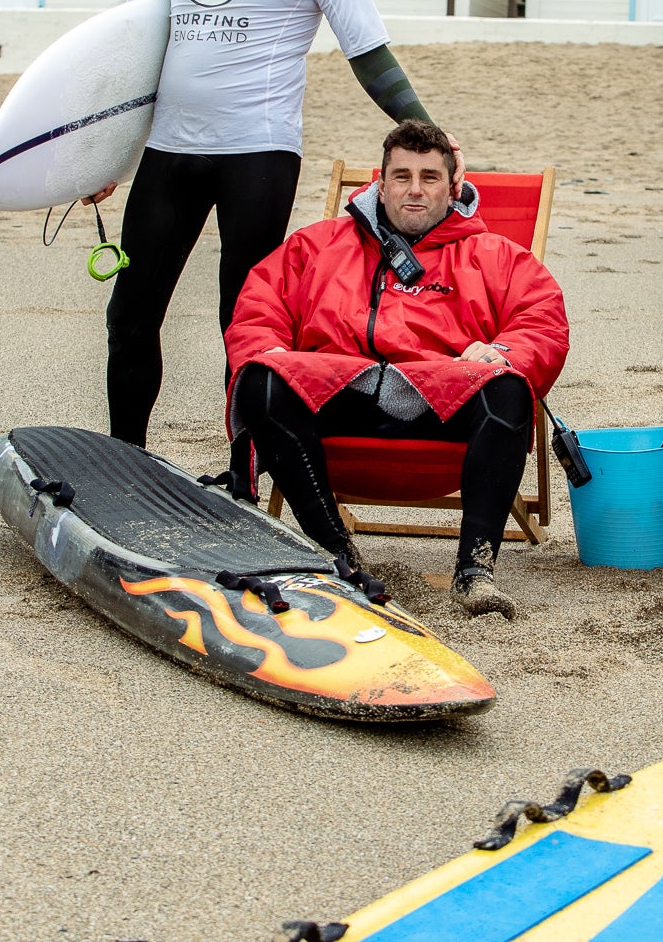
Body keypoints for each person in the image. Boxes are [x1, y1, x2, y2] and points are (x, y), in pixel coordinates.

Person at [90, 0, 444, 459]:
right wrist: (104, 153)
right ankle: (124, 460)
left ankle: (243, 473)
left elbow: (366, 50)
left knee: (244, 324)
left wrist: (425, 132)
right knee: (130, 315)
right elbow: (132, 47)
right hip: (168, 153)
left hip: (260, 155)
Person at [224, 119, 570, 618]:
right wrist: (270, 352)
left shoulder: (495, 255)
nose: (414, 189)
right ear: (380, 184)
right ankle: (337, 553)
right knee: (259, 379)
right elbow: (258, 309)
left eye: (429, 177)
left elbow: (542, 323)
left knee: (509, 388)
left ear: (453, 188)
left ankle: (475, 573)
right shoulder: (317, 245)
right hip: (336, 394)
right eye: (401, 176)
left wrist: (503, 352)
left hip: (440, 401)